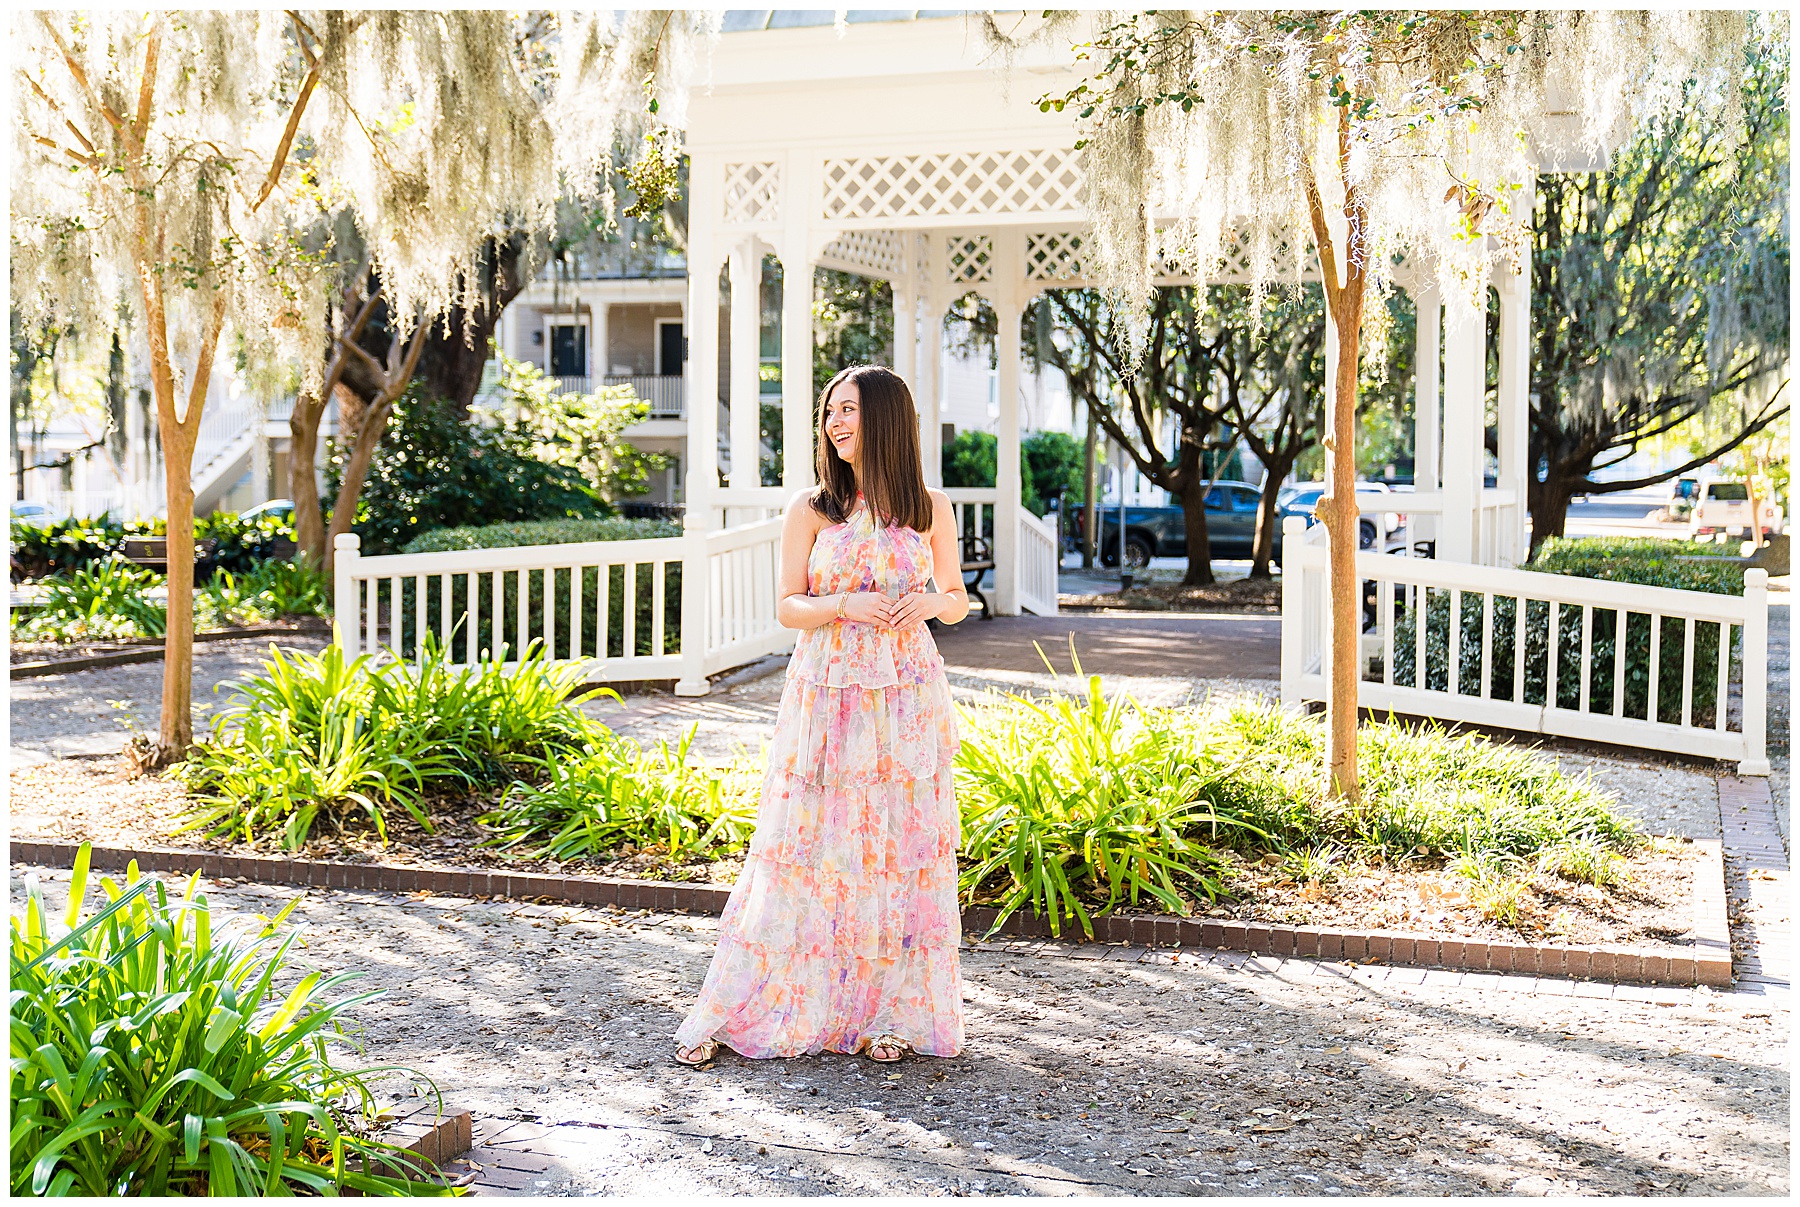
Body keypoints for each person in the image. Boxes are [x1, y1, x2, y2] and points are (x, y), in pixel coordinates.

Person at [672, 364, 971, 1067]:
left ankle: (893, 1011)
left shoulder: (929, 506)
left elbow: (955, 596)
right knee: (810, 844)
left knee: (897, 848)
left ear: (889, 420)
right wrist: (843, 605)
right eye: (831, 410)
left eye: (852, 410)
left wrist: (928, 602)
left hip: (904, 696)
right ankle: (755, 1002)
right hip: (828, 692)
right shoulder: (812, 507)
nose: (837, 423)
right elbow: (787, 606)